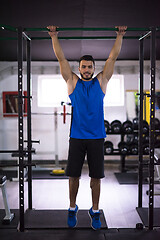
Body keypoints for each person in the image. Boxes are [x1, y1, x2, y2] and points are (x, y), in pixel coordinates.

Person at [47, 25, 127, 230]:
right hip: (77, 137)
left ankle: (95, 210)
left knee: (96, 177)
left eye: (90, 67)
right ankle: (72, 207)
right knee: (73, 176)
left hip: (97, 137)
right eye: (83, 67)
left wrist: (119, 35)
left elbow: (112, 59)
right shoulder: (72, 82)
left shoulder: (101, 82)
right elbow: (61, 60)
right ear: (79, 68)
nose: (87, 70)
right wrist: (54, 36)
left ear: (93, 68)